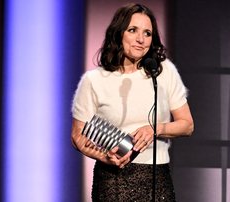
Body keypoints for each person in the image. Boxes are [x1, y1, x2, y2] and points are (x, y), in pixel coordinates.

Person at [71, 3, 194, 202]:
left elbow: (187, 125)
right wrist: (104, 157)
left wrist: (155, 129)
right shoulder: (94, 80)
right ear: (119, 33)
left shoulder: (163, 72)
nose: (140, 39)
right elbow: (78, 135)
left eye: (147, 33)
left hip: (156, 179)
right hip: (112, 181)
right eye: (133, 30)